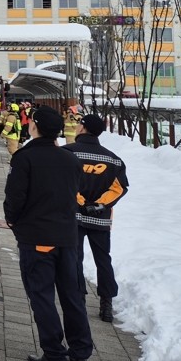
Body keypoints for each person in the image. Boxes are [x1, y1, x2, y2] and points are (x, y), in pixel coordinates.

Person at [3, 104, 93, 361]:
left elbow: (15, 199)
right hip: (68, 238)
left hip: (37, 237)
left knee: (41, 295)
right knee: (72, 295)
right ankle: (80, 352)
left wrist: (13, 221)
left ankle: (54, 353)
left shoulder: (24, 158)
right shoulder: (71, 160)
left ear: (34, 127)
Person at [69, 113, 129, 322]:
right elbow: (119, 188)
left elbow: (65, 182)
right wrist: (100, 205)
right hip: (101, 219)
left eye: (79, 124)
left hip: (73, 217)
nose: (76, 126)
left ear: (83, 128)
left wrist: (80, 201)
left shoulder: (68, 153)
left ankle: (78, 299)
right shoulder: (113, 159)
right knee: (103, 260)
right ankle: (106, 304)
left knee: (75, 258)